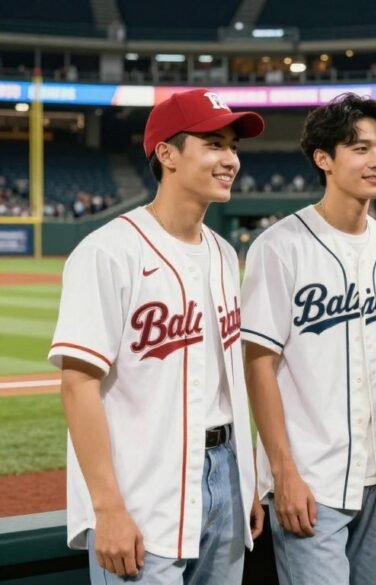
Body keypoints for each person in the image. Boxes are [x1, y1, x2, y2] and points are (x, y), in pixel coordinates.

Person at [49, 88, 265, 584]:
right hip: (142, 490)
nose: (230, 158)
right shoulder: (106, 252)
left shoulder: (224, 253)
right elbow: (77, 385)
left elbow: (225, 383)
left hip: (225, 476)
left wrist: (246, 479)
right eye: (213, 143)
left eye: (233, 145)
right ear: (166, 153)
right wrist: (107, 509)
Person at [240, 94, 376, 585]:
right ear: (324, 159)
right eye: (359, 148)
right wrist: (282, 473)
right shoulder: (278, 247)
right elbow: (258, 366)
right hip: (312, 480)